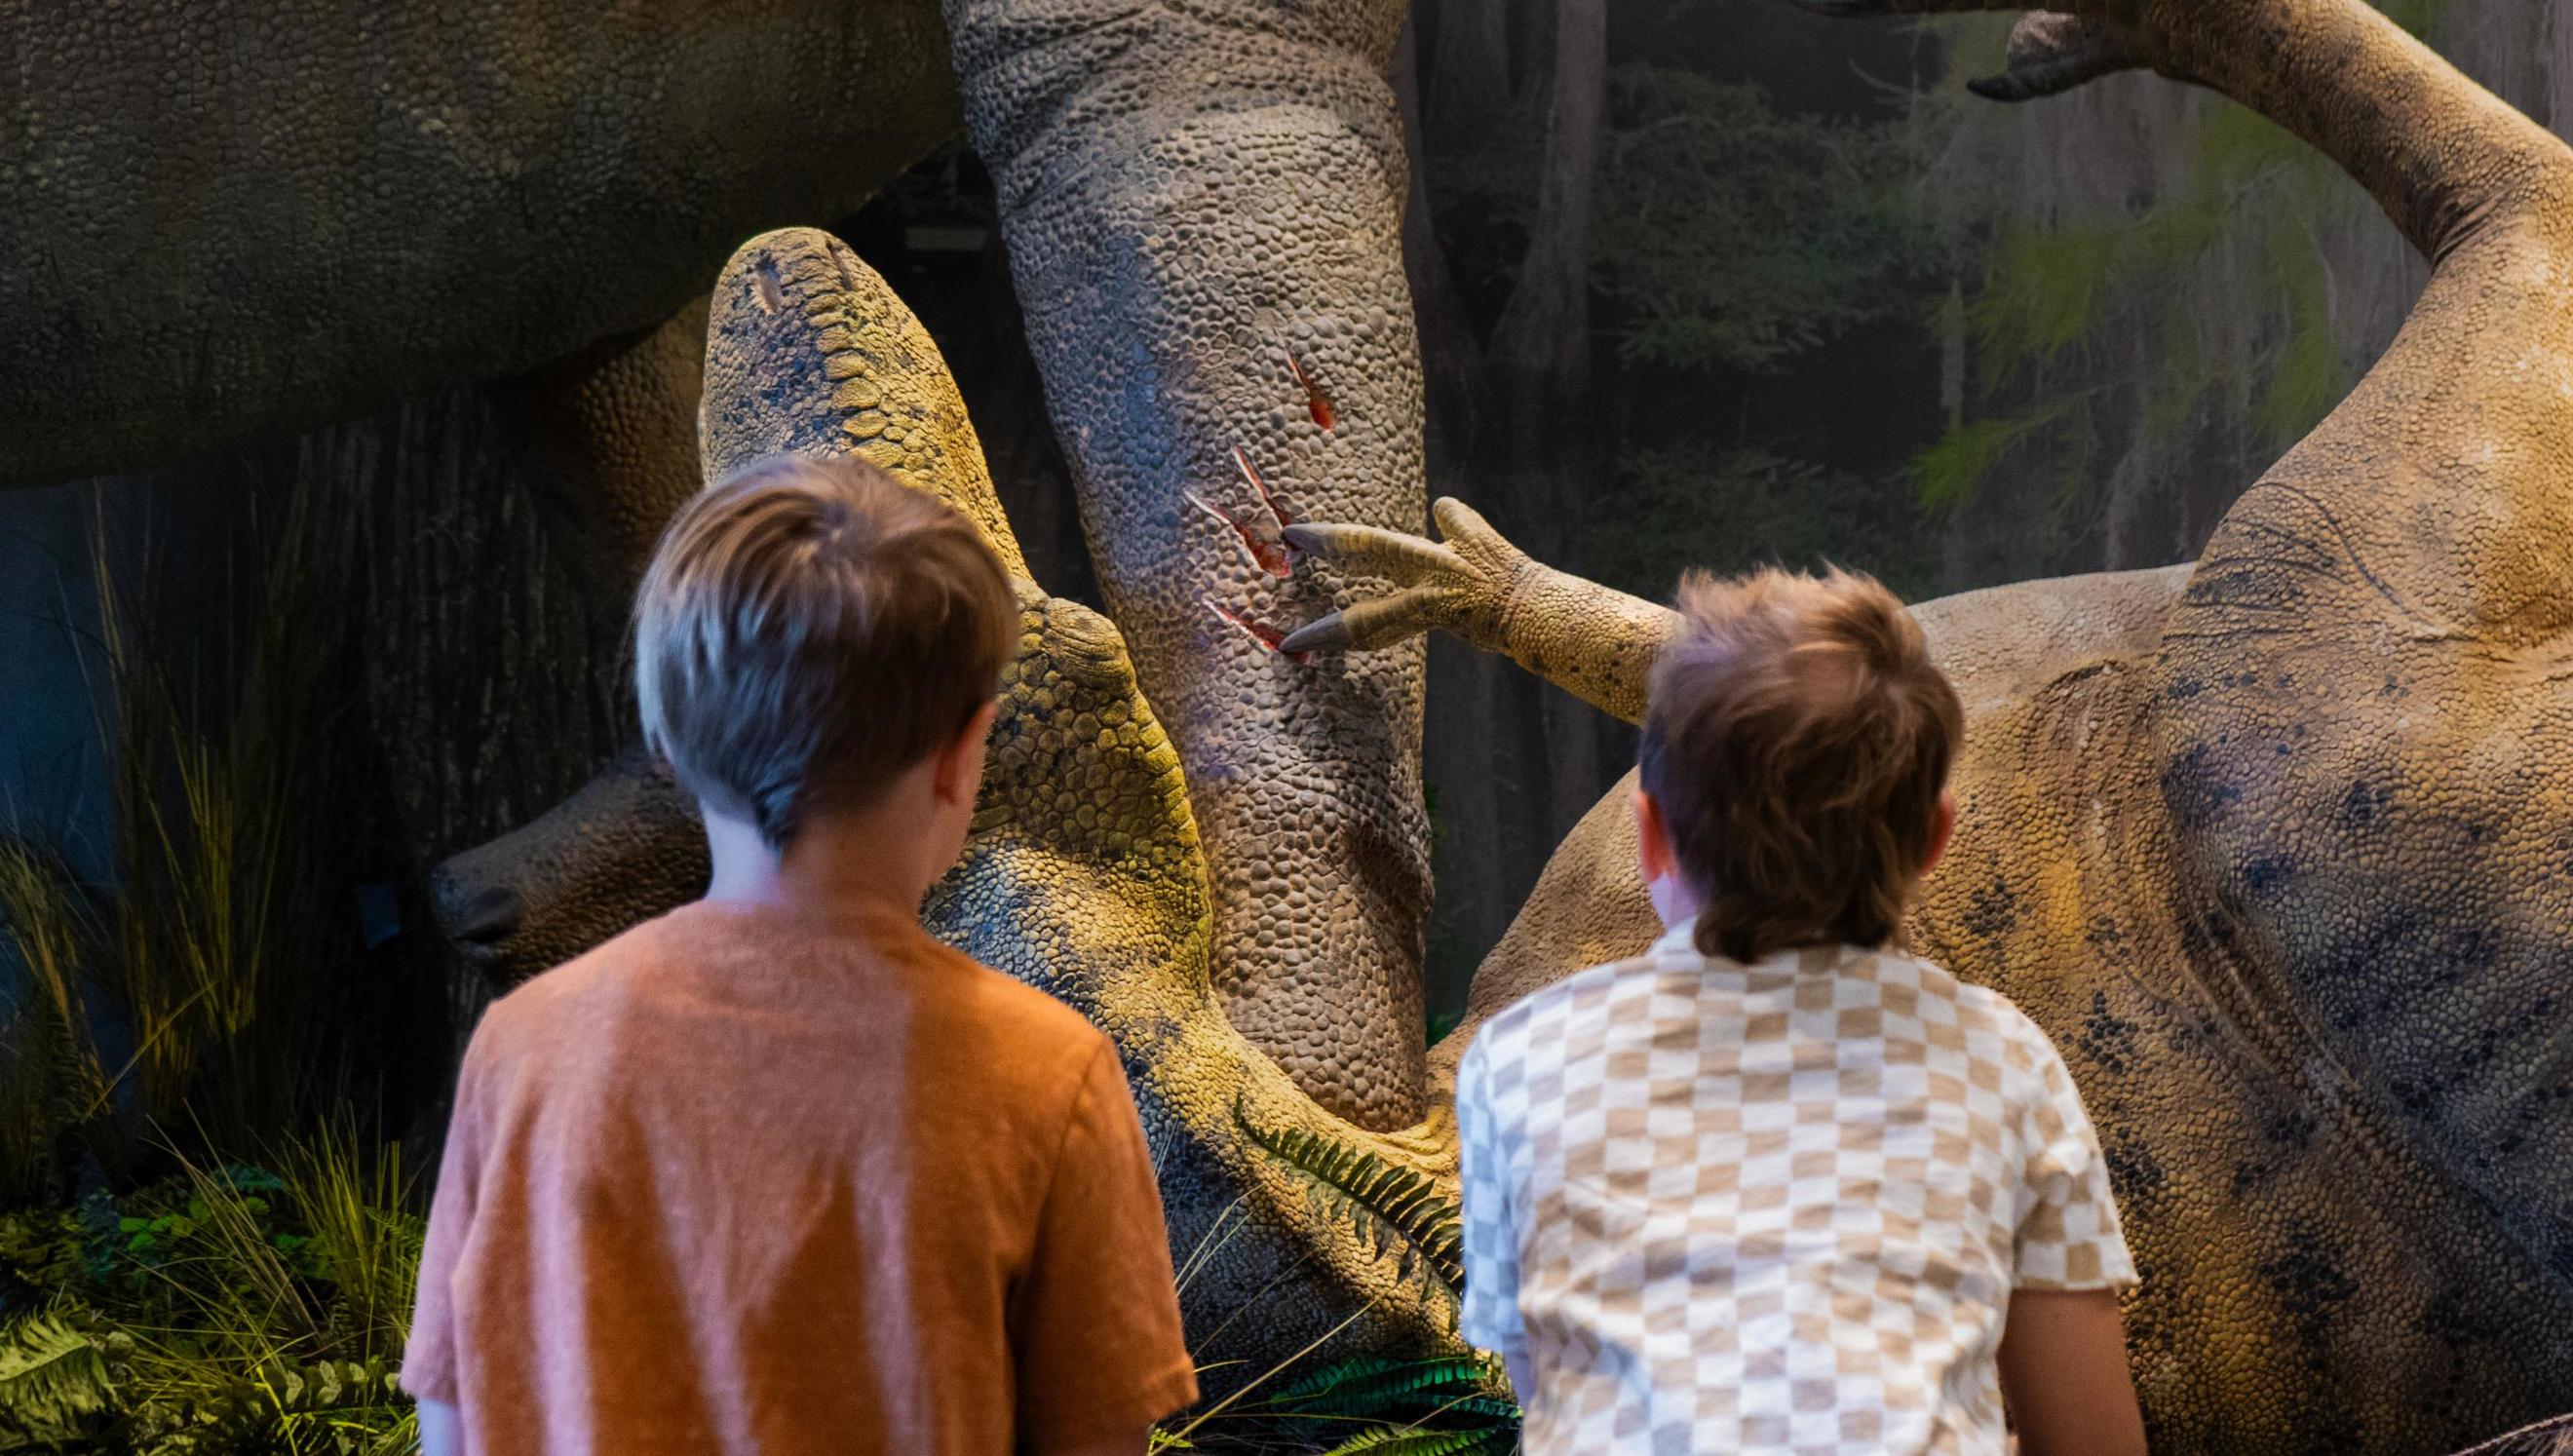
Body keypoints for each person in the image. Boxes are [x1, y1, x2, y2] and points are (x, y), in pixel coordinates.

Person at [403, 455, 1199, 1456]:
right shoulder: (1051, 1076)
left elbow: (454, 1428)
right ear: (963, 754)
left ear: (667, 743)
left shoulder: (523, 1051)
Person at [1453, 565, 2147, 1455]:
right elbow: (2092, 1441)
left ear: (1650, 835)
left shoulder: (1515, 1061)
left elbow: (1548, 1388)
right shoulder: (2006, 1063)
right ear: (1935, 838)